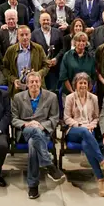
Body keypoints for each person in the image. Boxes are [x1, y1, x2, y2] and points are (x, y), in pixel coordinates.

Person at [10, 71, 66, 199]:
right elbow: (13, 119)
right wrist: (26, 124)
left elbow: (54, 118)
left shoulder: (51, 97)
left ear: (40, 83)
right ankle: (48, 164)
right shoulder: (18, 97)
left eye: (36, 82)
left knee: (32, 143)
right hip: (25, 130)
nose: (34, 84)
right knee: (33, 132)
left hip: (43, 131)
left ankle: (33, 185)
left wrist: (42, 125)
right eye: (31, 82)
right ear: (27, 84)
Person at [64, 73, 104, 196]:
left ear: (89, 85)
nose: (83, 85)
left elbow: (96, 117)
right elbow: (66, 118)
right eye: (80, 83)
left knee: (87, 145)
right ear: (75, 85)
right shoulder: (70, 98)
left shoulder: (94, 98)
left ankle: (100, 180)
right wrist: (82, 126)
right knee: (84, 132)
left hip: (90, 130)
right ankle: (103, 162)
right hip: (74, 130)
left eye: (85, 83)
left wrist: (92, 125)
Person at [2, 25, 50, 98]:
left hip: (35, 87)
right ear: (17, 37)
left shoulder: (38, 48)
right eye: (21, 35)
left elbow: (46, 65)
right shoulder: (10, 50)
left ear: (30, 35)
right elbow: (4, 68)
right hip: (17, 89)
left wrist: (38, 74)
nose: (25, 37)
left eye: (26, 34)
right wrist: (13, 79)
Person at [31, 12, 65, 91]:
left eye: (47, 20)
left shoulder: (58, 32)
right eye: (44, 20)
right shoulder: (34, 34)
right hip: (41, 67)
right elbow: (32, 51)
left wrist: (56, 58)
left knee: (53, 91)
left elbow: (63, 48)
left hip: (55, 67)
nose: (46, 22)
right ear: (39, 21)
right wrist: (45, 61)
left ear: (51, 21)